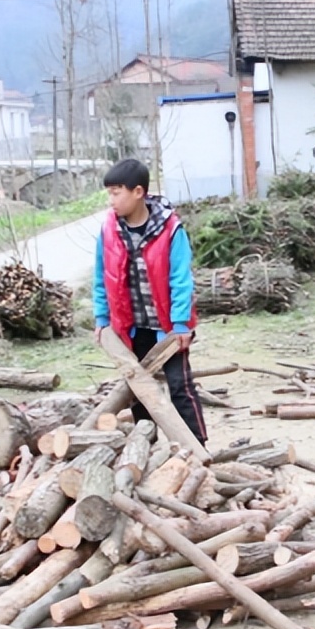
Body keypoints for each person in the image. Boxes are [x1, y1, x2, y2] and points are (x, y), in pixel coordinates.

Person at [92, 158, 208, 444]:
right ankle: (146, 448)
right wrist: (102, 318)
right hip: (131, 327)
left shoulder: (170, 230)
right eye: (109, 193)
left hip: (168, 329)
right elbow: (101, 277)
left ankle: (198, 446)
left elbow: (181, 279)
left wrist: (181, 324)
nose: (112, 200)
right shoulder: (109, 232)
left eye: (116, 192)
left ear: (138, 192)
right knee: (139, 389)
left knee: (180, 386)